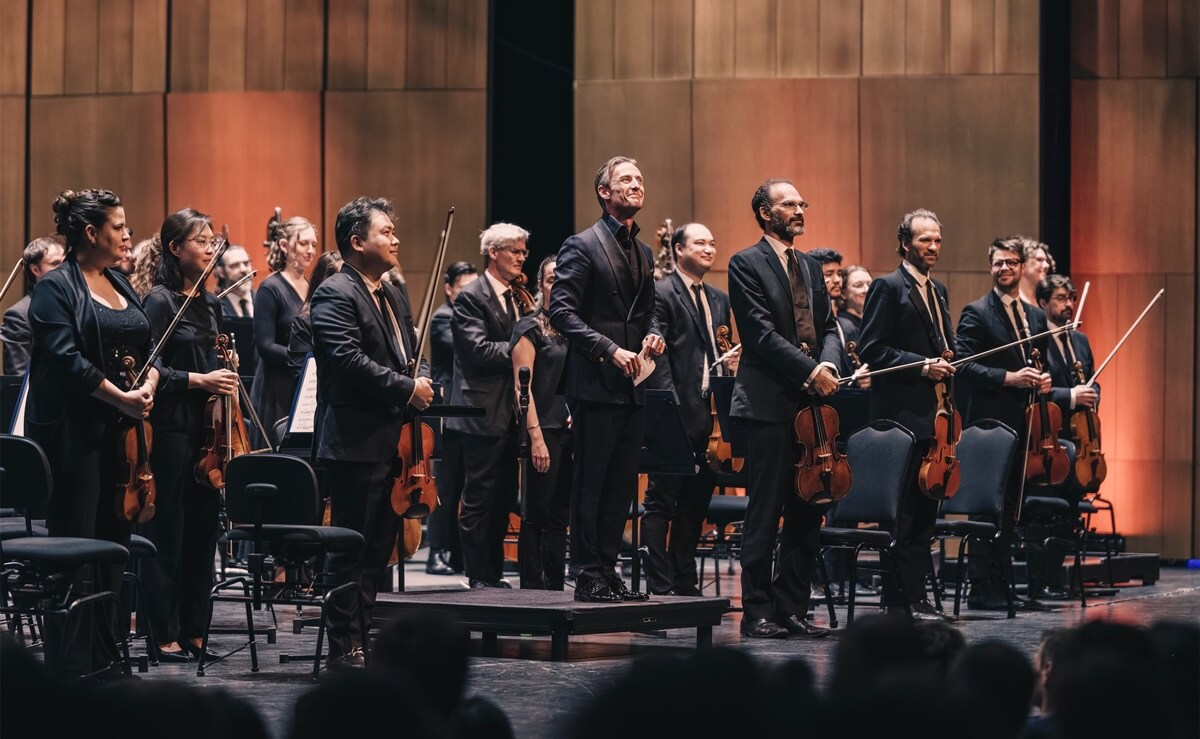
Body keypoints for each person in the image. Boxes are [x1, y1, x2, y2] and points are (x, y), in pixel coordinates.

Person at [26, 188, 160, 678]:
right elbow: (67, 361)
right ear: (90, 232)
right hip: (74, 438)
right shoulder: (55, 288)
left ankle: (106, 654)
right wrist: (120, 398)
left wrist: (149, 382)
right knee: (78, 546)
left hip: (122, 437)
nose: (126, 234)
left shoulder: (119, 281)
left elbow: (150, 345)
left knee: (114, 544)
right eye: (118, 226)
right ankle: (72, 662)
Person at [310, 196, 434, 670]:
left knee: (379, 552)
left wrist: (421, 378)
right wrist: (407, 387)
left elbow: (409, 353)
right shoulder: (334, 292)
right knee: (350, 550)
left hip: (394, 443)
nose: (396, 239)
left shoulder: (392, 293)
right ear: (357, 242)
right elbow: (347, 359)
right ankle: (344, 647)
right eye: (386, 232)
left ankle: (363, 638)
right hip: (355, 442)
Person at [548, 155, 665, 603]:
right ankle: (587, 572)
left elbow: (651, 310)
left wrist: (654, 334)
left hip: (634, 383)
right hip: (596, 382)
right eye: (626, 179)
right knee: (592, 483)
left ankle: (608, 569)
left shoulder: (644, 251)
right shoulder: (581, 245)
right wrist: (609, 349)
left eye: (640, 179)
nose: (636, 185)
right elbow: (561, 313)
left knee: (621, 485)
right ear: (604, 192)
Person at [727, 178, 839, 638]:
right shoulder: (745, 262)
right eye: (788, 204)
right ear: (764, 212)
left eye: (801, 203)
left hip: (813, 406)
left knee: (808, 508)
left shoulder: (810, 266)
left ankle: (792, 607)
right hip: (769, 403)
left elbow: (828, 326)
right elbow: (759, 334)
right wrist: (810, 371)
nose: (798, 210)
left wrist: (829, 362)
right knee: (765, 510)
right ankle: (756, 612)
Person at [136, 209, 241, 664]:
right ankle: (163, 633)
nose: (210, 247)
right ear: (175, 248)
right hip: (171, 427)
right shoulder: (159, 301)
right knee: (169, 530)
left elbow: (212, 358)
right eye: (201, 240)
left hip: (209, 430)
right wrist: (200, 379)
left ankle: (196, 629)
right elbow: (151, 368)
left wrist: (227, 366)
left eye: (212, 240)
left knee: (202, 532)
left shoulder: (211, 303)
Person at [857, 208, 956, 621]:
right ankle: (901, 601)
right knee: (905, 515)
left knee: (925, 515)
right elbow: (872, 349)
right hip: (901, 419)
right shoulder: (888, 287)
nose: (932, 247)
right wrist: (922, 366)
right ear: (904, 243)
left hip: (935, 419)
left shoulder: (938, 290)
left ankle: (916, 597)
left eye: (937, 240)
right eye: (924, 240)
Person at [955, 237, 1052, 611]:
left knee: (1012, 507)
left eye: (1011, 262)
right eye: (998, 263)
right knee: (987, 506)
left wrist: (1042, 380)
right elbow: (964, 365)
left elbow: (1037, 362)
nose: (1005, 268)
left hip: (1025, 425)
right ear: (990, 268)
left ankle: (1003, 584)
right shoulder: (977, 312)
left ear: (1022, 267)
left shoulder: (1036, 317)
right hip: (989, 426)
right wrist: (1009, 378)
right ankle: (981, 587)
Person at [642, 222, 736, 596]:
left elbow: (719, 349)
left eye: (712, 243)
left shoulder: (719, 298)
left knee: (696, 503)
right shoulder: (661, 292)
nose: (709, 249)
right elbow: (659, 355)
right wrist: (669, 409)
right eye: (700, 243)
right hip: (676, 411)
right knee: (661, 501)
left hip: (711, 415)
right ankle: (660, 583)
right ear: (678, 249)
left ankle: (684, 578)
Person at [449, 223, 530, 589]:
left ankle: (493, 573)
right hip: (481, 411)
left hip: (512, 412)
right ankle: (477, 574)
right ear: (493, 252)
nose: (521, 257)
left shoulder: (516, 296)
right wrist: (522, 350)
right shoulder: (471, 296)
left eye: (524, 251)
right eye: (515, 250)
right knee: (479, 498)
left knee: (504, 497)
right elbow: (478, 350)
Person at [1022, 274, 1100, 600]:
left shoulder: (1079, 340)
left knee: (1070, 510)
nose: (1068, 305)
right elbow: (1037, 389)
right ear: (1043, 303)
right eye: (1060, 299)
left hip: (1079, 443)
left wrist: (1092, 394)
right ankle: (1038, 580)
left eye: (1070, 299)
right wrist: (1070, 396)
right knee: (1044, 511)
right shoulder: (1036, 339)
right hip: (1048, 441)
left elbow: (1093, 382)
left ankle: (1054, 577)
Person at [510, 256, 572, 589]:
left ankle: (556, 590)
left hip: (570, 432)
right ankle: (532, 593)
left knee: (560, 518)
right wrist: (535, 437)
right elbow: (523, 388)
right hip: (543, 430)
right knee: (535, 516)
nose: (558, 285)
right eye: (551, 279)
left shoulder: (575, 328)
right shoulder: (529, 328)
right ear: (540, 285)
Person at [424, 261, 477, 576]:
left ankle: (458, 554)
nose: (471, 295)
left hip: (465, 408)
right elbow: (466, 349)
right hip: (445, 409)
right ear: (449, 289)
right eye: (464, 289)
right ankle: (436, 552)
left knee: (464, 484)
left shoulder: (468, 318)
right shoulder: (443, 317)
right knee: (444, 485)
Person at [249, 212, 316, 446]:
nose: (310, 250)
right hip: (276, 387)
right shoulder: (270, 288)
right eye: (304, 243)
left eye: (313, 244)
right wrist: (306, 358)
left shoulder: (312, 286)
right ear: (285, 246)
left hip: (302, 381)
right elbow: (265, 346)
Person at [2, 235, 66, 376]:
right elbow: (19, 375)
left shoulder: (75, 305)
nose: (64, 269)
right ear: (35, 269)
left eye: (65, 262)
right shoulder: (19, 316)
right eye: (56, 263)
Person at [286, 251, 344, 377]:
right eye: (341, 279)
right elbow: (301, 370)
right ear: (324, 282)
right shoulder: (305, 321)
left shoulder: (356, 315)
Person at [215, 244, 256, 319]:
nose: (244, 269)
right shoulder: (214, 308)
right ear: (221, 272)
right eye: (235, 265)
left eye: (246, 263)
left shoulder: (264, 300)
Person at [1018, 238, 1054, 306]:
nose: (1047, 265)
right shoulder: (1009, 301)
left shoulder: (1045, 301)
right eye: (1039, 260)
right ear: (1023, 264)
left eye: (1046, 261)